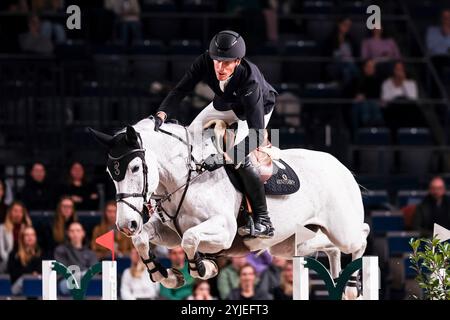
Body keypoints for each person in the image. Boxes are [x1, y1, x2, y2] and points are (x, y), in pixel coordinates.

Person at [152, 30, 277, 238]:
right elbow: (180, 90)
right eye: (217, 61)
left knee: (241, 157)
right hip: (226, 103)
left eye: (227, 63)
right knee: (189, 137)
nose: (220, 67)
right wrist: (162, 114)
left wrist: (225, 157)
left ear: (237, 62)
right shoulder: (204, 61)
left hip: (255, 110)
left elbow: (256, 135)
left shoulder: (251, 81)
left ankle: (264, 220)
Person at [54, 222, 98, 295]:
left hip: (87, 281)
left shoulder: (90, 253)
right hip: (67, 282)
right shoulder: (61, 250)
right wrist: (82, 274)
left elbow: (94, 270)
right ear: (68, 233)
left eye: (78, 231)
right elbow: (63, 271)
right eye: (72, 231)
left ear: (83, 233)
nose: (75, 234)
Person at [7, 226, 42, 295]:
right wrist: (31, 274)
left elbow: (41, 271)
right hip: (18, 285)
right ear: (22, 238)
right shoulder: (14, 254)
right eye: (27, 235)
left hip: (37, 283)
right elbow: (13, 273)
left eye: (32, 235)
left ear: (36, 237)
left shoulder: (40, 253)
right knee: (25, 280)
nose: (30, 237)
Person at [0, 201, 32, 273]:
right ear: (10, 212)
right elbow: (2, 252)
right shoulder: (2, 229)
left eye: (21, 211)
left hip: (25, 261)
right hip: (7, 261)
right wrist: (13, 262)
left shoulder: (27, 228)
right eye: (15, 211)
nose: (18, 214)